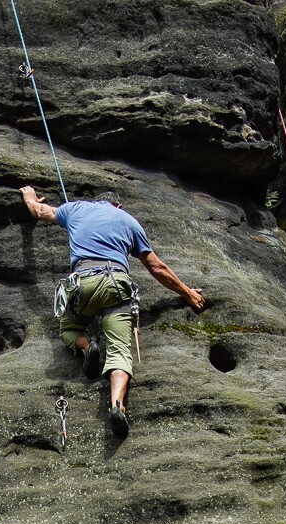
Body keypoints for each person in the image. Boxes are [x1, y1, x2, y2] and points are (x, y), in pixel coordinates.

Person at [19, 186, 206, 436]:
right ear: (118, 206)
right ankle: (117, 406)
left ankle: (87, 346)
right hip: (116, 285)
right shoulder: (128, 221)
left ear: (97, 202)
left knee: (69, 328)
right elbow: (157, 268)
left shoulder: (75, 208)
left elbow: (41, 212)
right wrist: (187, 293)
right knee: (119, 351)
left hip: (83, 283)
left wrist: (29, 197)